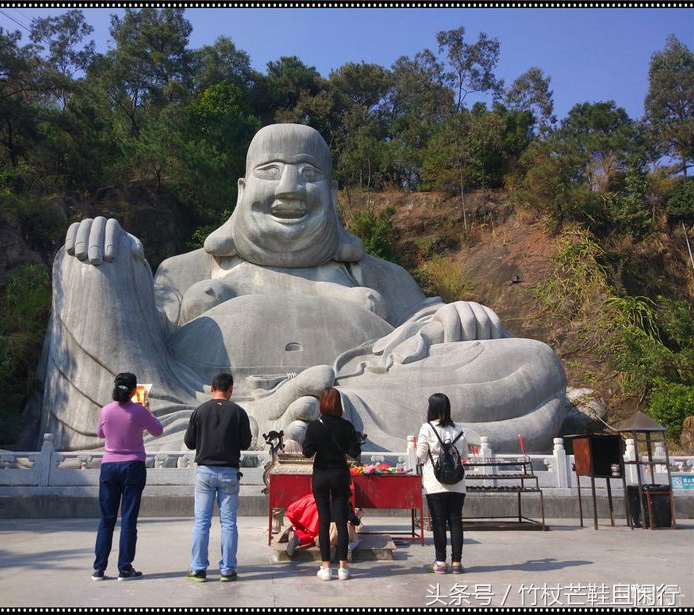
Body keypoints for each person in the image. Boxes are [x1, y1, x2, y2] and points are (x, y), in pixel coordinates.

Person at [45, 123, 567, 455]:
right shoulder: (188, 269)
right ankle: (212, 420)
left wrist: (454, 315)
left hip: (352, 393)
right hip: (187, 397)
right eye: (271, 171)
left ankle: (305, 418)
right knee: (92, 262)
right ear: (243, 191)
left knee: (535, 363)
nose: (290, 187)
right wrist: (113, 258)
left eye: (307, 173)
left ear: (332, 195)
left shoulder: (377, 275)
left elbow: (432, 327)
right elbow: (139, 345)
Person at [92, 372, 164, 581]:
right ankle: (124, 568)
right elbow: (158, 431)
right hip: (133, 465)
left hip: (109, 466)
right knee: (128, 518)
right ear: (134, 391)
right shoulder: (139, 411)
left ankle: (99, 568)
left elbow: (100, 434)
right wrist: (148, 412)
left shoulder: (105, 410)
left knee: (106, 519)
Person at [184, 373, 252, 582]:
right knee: (229, 523)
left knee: (202, 522)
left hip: (205, 471)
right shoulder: (239, 412)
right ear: (231, 389)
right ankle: (228, 569)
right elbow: (245, 444)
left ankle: (198, 569)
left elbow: (190, 443)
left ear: (212, 389)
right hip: (229, 472)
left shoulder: (199, 411)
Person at [302, 387, 362, 581]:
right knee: (341, 521)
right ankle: (343, 567)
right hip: (340, 474)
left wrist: (317, 444)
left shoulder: (314, 426)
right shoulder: (347, 426)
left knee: (324, 520)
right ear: (339, 404)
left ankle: (326, 567)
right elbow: (354, 452)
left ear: (322, 403)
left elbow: (307, 452)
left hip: (321, 474)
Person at [417, 392, 468, 575]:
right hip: (457, 483)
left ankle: (440, 562)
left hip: (435, 482)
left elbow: (420, 455)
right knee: (455, 521)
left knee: (438, 522)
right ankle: (456, 563)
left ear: (432, 408)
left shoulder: (427, 428)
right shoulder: (459, 429)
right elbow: (464, 456)